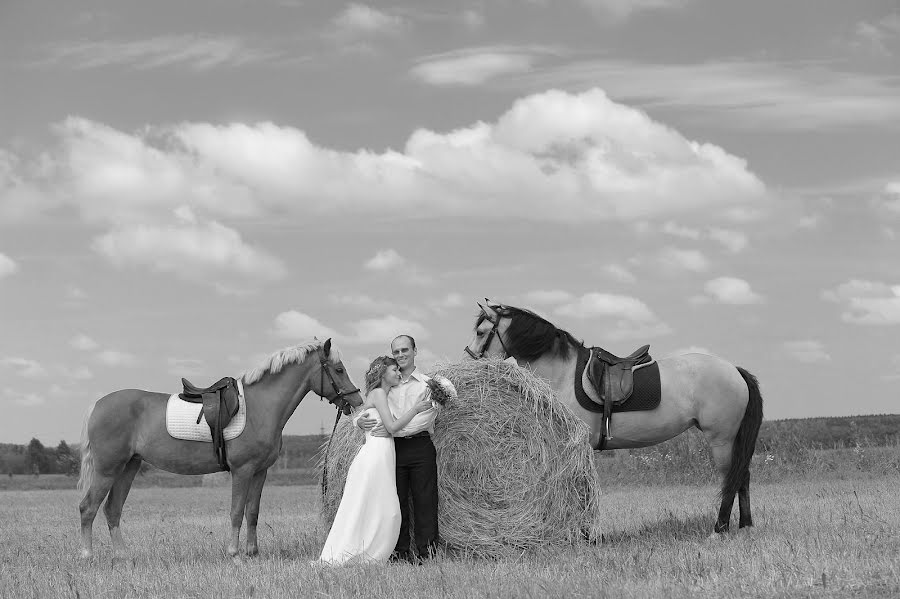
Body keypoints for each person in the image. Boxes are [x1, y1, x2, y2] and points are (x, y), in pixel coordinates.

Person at [319, 356, 432, 565]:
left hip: (381, 455)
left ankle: (368, 553)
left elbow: (363, 416)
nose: (399, 374)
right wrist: (416, 409)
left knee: (372, 507)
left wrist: (356, 421)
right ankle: (367, 555)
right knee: (386, 510)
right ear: (383, 374)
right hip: (375, 457)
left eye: (399, 370)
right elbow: (391, 427)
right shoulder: (379, 393)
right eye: (394, 370)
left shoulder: (381, 395)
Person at [357, 334, 440, 563]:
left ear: (415, 351)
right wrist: (358, 423)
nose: (401, 355)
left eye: (405, 350)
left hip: (420, 446)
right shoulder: (387, 383)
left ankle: (427, 554)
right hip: (392, 449)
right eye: (396, 352)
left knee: (425, 501)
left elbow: (426, 418)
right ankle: (399, 553)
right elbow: (368, 409)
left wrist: (393, 430)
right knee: (395, 503)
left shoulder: (428, 384)